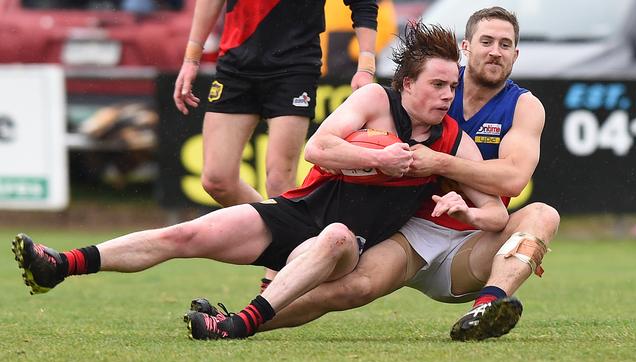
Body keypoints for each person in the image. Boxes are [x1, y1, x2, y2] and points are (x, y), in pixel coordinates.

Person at [12, 24, 508, 340]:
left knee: (335, 235)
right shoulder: (374, 102)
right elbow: (318, 149)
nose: (448, 95)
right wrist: (379, 158)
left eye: (451, 86)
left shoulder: (450, 140)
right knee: (185, 234)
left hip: (347, 245)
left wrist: (465, 210)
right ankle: (62, 265)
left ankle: (240, 324)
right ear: (407, 85)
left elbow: (498, 212)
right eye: (438, 85)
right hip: (296, 214)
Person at [189, 7, 560, 342]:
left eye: (505, 44)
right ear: (466, 46)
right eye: (487, 41)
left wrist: (440, 163)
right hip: (410, 232)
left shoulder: (524, 106)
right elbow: (345, 137)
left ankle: (487, 306)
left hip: (477, 241)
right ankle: (236, 322)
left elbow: (513, 179)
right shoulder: (436, 81)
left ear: (516, 54)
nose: (495, 51)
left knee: (543, 215)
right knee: (349, 289)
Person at [172, 0, 379, 291]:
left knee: (279, 178)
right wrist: (191, 59)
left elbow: (363, 4)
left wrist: (366, 65)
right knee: (216, 180)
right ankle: (298, 241)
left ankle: (275, 278)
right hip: (235, 64)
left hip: (294, 67)